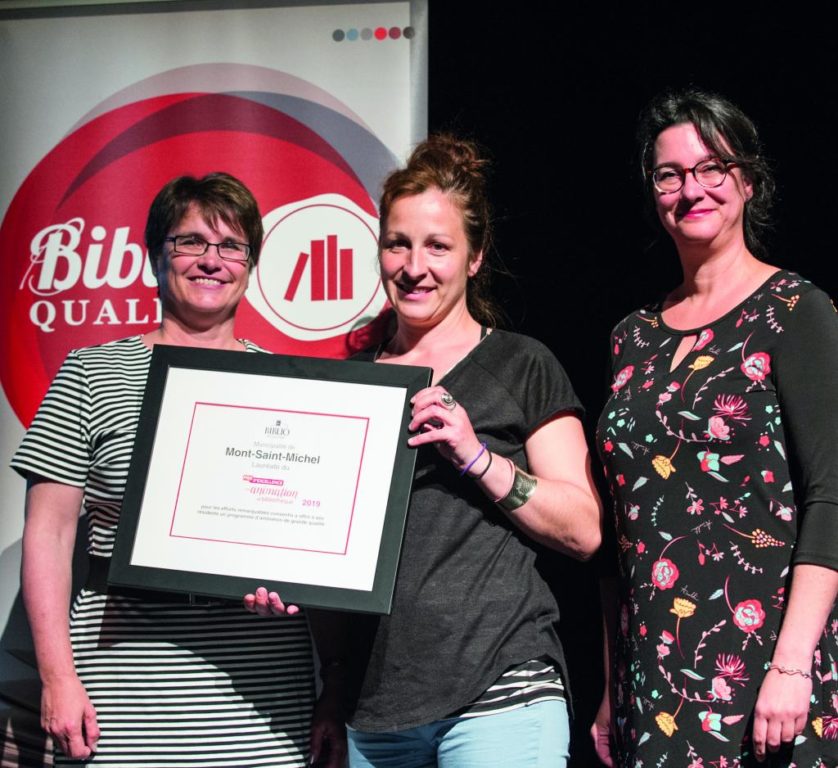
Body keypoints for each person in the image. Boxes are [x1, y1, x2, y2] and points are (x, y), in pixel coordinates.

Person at [247, 134, 603, 767]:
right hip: (375, 709)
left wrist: (477, 457)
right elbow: (331, 561)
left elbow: (583, 530)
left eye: (439, 246)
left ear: (474, 259)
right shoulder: (350, 382)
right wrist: (304, 618)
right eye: (398, 243)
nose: (415, 266)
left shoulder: (520, 364)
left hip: (502, 690)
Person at [11, 173, 342, 766]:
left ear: (251, 263)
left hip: (262, 698)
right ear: (154, 257)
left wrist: (332, 686)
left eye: (231, 246)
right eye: (190, 242)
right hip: (125, 696)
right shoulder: (91, 374)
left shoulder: (291, 388)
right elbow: (49, 532)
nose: (211, 261)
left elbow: (315, 553)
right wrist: (58, 678)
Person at [592, 88, 838, 767]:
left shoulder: (796, 310)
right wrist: (615, 689)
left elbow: (831, 496)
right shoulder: (630, 337)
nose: (691, 189)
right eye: (670, 174)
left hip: (763, 669)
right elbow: (620, 533)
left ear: (748, 180)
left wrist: (792, 666)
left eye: (712, 168)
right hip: (655, 673)